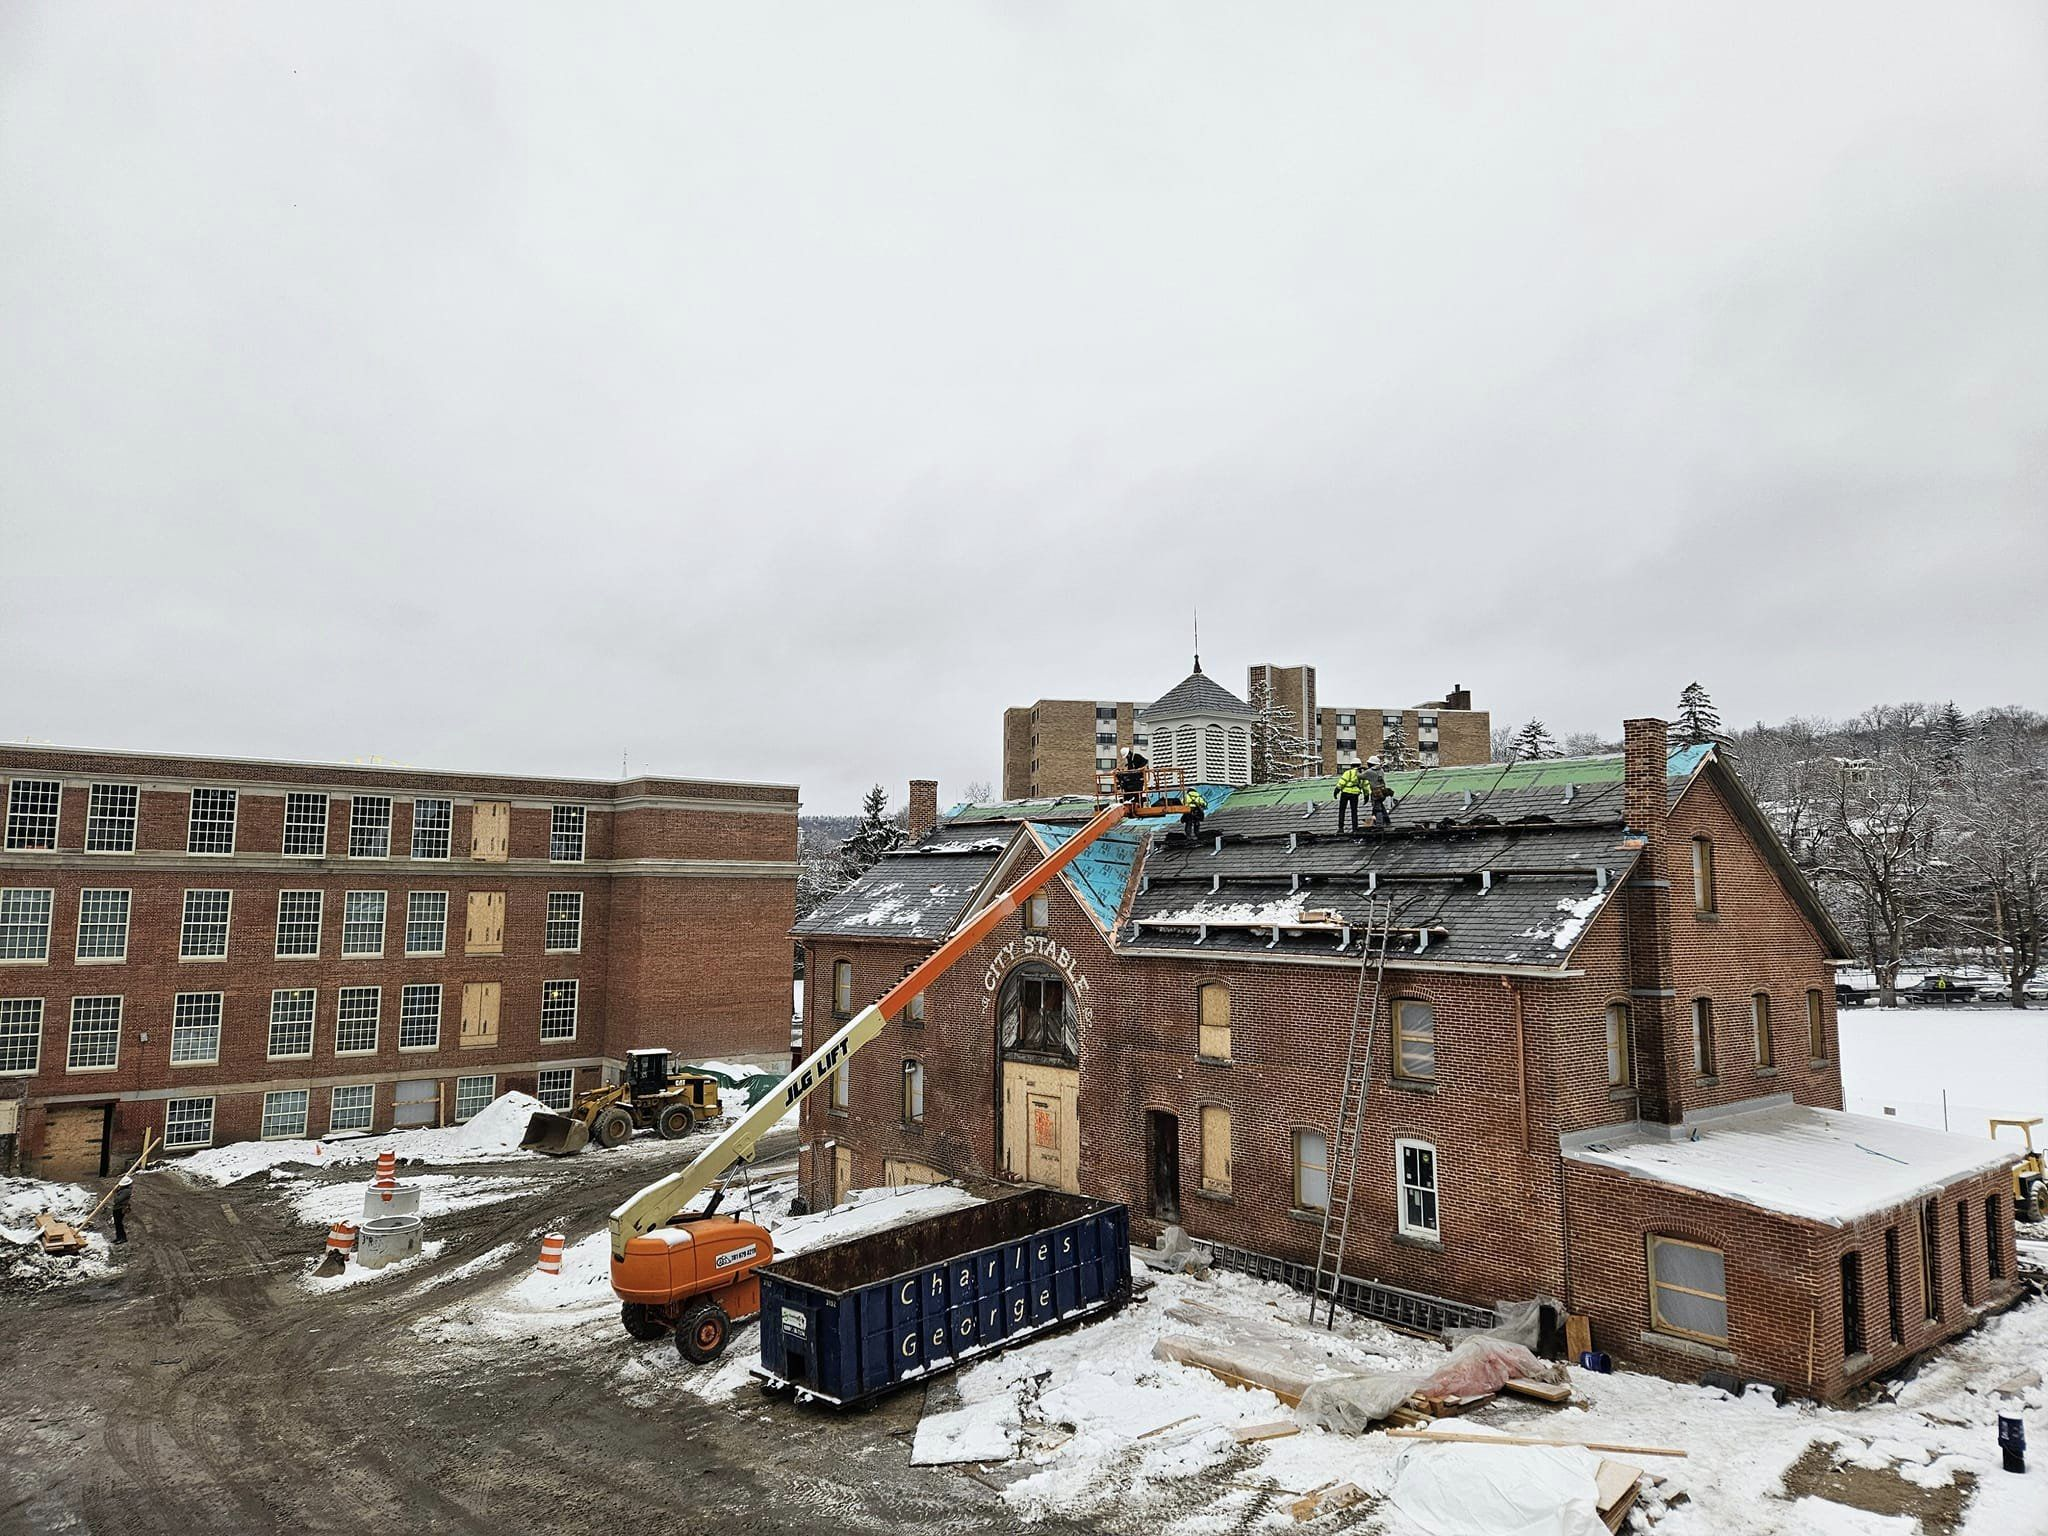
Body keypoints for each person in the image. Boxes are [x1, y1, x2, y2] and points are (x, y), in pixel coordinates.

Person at [1365, 756, 1394, 829]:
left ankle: (1379, 824)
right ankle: (1387, 821)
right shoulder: (1380, 771)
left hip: (1376, 792)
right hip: (1381, 792)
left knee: (1377, 808)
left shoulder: (1372, 772)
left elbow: (1362, 776)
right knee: (1380, 806)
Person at [1334, 763, 1364, 834]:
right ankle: (1355, 828)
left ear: (1351, 765)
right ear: (1359, 765)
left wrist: (1336, 791)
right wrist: (1366, 795)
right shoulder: (1361, 774)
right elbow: (1365, 785)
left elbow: (1342, 782)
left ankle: (1341, 828)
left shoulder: (1348, 772)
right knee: (1354, 811)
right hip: (1355, 794)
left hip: (1345, 793)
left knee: (1342, 810)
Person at [111, 1174, 132, 1245]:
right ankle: (118, 1237)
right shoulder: (123, 1190)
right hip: (117, 1208)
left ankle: (122, 1238)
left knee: (119, 1223)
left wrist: (115, 1193)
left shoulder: (126, 1191)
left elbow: (117, 1200)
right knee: (117, 1223)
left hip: (120, 1209)